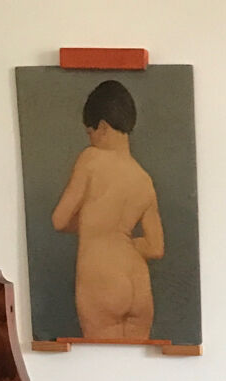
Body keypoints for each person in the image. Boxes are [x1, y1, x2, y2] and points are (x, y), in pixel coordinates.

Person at [52, 79, 164, 342]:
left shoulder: (90, 159)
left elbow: (59, 220)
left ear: (101, 127)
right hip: (139, 288)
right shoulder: (143, 178)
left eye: (89, 132)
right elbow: (156, 248)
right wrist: (124, 242)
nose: (89, 138)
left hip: (102, 282)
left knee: (102, 369)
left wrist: (94, 224)